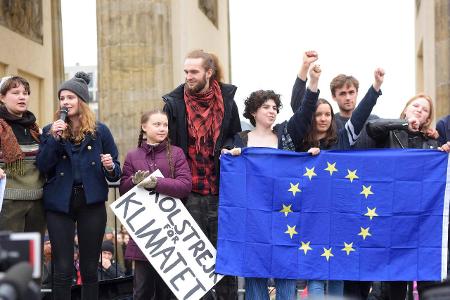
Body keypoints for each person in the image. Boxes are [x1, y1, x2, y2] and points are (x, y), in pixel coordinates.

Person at [225, 62, 323, 299]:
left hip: (284, 215)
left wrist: (313, 81)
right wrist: (229, 156)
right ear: (253, 112)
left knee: (286, 273)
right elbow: (229, 171)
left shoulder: (285, 135)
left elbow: (305, 111)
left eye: (275, 107)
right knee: (255, 276)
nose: (272, 111)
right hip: (253, 218)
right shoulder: (239, 140)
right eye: (266, 107)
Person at [298, 68, 384, 298]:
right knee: (317, 274)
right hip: (314, 216)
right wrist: (310, 77)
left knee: (337, 274)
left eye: (327, 114)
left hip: (342, 215)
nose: (324, 119)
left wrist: (375, 87)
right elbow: (300, 106)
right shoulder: (301, 142)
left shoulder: (342, 139)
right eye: (318, 115)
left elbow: (360, 115)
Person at [162, 49, 241, 299]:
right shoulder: (172, 103)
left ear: (209, 72)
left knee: (225, 260)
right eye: (186, 71)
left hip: (221, 191)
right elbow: (166, 142)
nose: (188, 76)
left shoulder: (228, 100)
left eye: (194, 71)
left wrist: (230, 146)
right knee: (192, 260)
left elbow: (235, 134)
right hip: (189, 193)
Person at [36, 72, 121, 300]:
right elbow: (43, 165)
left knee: (90, 268)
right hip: (59, 205)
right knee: (62, 269)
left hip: (90, 204)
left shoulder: (100, 131)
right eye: (62, 97)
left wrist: (110, 167)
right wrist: (54, 139)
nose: (65, 102)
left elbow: (116, 169)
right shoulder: (49, 131)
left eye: (70, 97)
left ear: (81, 101)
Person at [365, 93, 450, 300]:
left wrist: (444, 155)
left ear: (428, 119)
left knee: (428, 282)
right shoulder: (390, 132)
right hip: (395, 218)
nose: (420, 110)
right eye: (416, 106)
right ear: (405, 109)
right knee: (395, 283)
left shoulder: (432, 143)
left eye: (425, 110)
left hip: (424, 222)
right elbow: (371, 127)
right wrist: (404, 123)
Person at [120, 109, 192, 300]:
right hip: (145, 232)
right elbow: (123, 189)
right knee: (142, 290)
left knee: (167, 291)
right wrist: (133, 181)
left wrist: (156, 183)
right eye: (157, 124)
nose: (162, 128)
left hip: (171, 231)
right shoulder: (132, 155)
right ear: (144, 127)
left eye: (165, 125)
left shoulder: (176, 153)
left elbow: (185, 186)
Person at [0, 75, 45, 239]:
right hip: (8, 203)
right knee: (10, 259)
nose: (22, 96)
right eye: (15, 92)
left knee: (33, 258)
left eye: (25, 93)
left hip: (38, 202)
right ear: (2, 97)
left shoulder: (34, 128)